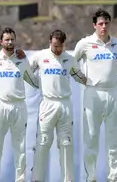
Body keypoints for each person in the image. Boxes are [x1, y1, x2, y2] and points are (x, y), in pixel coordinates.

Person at [69, 9, 117, 182]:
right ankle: (91, 177)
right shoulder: (85, 43)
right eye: (100, 24)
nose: (104, 26)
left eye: (106, 23)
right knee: (92, 137)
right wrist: (81, 79)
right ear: (94, 25)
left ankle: (113, 177)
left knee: (114, 139)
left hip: (113, 92)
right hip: (93, 93)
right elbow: (71, 63)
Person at [30, 30, 87, 182]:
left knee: (66, 143)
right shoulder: (40, 56)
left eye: (60, 46)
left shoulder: (69, 59)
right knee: (42, 142)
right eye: (55, 46)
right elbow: (26, 72)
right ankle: (37, 179)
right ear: (50, 42)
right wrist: (37, 84)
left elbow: (80, 77)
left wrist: (94, 79)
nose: (57, 49)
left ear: (64, 44)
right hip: (47, 103)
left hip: (65, 104)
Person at [0, 28, 39, 182]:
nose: (10, 42)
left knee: (21, 148)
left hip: (18, 106)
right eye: (7, 39)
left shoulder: (22, 60)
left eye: (12, 39)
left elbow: (33, 81)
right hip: (0, 106)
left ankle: (21, 179)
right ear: (1, 41)